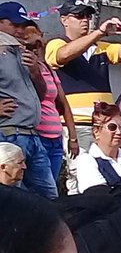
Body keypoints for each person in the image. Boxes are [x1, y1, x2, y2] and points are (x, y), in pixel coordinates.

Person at [44, 0, 121, 153]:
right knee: (78, 172)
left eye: (88, 16)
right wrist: (99, 32)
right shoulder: (56, 43)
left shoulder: (100, 47)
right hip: (75, 124)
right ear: (64, 20)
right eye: (79, 15)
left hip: (103, 123)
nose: (85, 20)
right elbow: (63, 55)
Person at [0, 1, 54, 197]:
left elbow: (40, 95)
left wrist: (35, 72)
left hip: (32, 134)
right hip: (8, 134)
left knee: (49, 198)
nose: (21, 30)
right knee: (12, 200)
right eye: (15, 25)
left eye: (24, 25)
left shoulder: (22, 52)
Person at [21, 21, 77, 184]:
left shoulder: (48, 69)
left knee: (51, 187)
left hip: (56, 137)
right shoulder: (23, 66)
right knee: (42, 188)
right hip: (37, 136)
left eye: (38, 45)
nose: (35, 50)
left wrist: (72, 138)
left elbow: (63, 104)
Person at [71, 103, 121, 191]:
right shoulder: (87, 161)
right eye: (112, 127)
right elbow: (98, 196)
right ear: (96, 132)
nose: (119, 132)